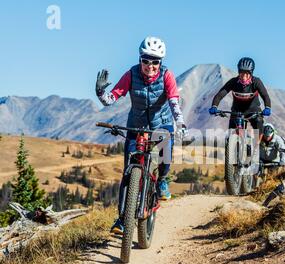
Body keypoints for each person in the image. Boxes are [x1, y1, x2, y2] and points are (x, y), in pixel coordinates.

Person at [95, 36, 187, 234]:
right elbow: (111, 99)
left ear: (160, 62)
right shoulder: (132, 74)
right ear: (140, 59)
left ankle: (162, 180)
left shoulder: (166, 76)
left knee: (165, 155)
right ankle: (121, 220)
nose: (150, 66)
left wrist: (179, 121)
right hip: (136, 125)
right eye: (146, 61)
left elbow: (173, 101)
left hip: (161, 124)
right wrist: (101, 93)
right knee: (128, 172)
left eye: (155, 62)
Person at [209, 57, 272, 136]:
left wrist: (267, 108)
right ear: (239, 72)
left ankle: (257, 146)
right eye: (242, 73)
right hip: (236, 110)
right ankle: (230, 145)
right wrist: (214, 106)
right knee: (231, 134)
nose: (244, 76)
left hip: (253, 110)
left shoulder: (256, 82)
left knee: (259, 125)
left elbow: (265, 96)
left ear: (251, 73)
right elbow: (220, 95)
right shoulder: (233, 82)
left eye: (247, 73)